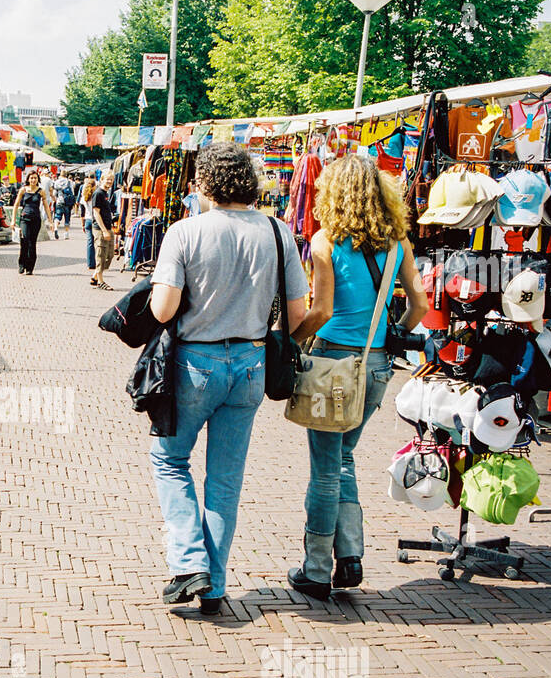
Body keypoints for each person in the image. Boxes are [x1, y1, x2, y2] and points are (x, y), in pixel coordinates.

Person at [148, 143, 309, 614]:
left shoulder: (184, 232)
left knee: (169, 460)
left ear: (203, 183)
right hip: (252, 366)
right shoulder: (280, 234)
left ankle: (189, 561)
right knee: (225, 481)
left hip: (194, 365)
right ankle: (214, 586)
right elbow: (297, 314)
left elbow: (163, 309)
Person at [287, 155, 426, 599]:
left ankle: (315, 569)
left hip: (332, 365)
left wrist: (290, 340)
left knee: (325, 470)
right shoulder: (398, 242)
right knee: (344, 458)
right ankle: (349, 558)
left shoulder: (325, 240)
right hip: (378, 364)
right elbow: (420, 305)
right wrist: (394, 332)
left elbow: (322, 310)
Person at [14, 169, 54, 276]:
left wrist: (51, 221)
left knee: (32, 243)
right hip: (24, 218)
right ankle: (22, 264)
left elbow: (46, 207)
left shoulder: (41, 191)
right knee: (24, 241)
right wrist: (13, 220)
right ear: (28, 179)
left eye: (35, 178)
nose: (33, 180)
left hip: (36, 219)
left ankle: (30, 268)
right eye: (31, 178)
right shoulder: (23, 190)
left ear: (38, 179)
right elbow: (16, 204)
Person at [90, 172, 116, 290]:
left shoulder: (106, 193)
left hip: (108, 227)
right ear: (102, 180)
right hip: (100, 229)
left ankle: (95, 276)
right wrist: (104, 230)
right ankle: (100, 281)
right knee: (101, 255)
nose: (109, 182)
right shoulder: (98, 193)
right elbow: (96, 213)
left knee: (109, 255)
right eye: (107, 180)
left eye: (111, 180)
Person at [81, 174, 98, 273]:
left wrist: (82, 224)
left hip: (87, 220)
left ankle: (90, 263)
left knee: (90, 242)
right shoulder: (96, 196)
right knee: (97, 242)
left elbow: (82, 212)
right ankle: (96, 262)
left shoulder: (84, 197)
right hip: (95, 220)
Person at [53, 169, 76, 238]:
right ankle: (66, 234)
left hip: (59, 201)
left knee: (57, 216)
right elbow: (72, 192)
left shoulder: (56, 182)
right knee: (67, 218)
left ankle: (56, 228)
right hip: (67, 202)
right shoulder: (70, 182)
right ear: (66, 175)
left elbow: (54, 193)